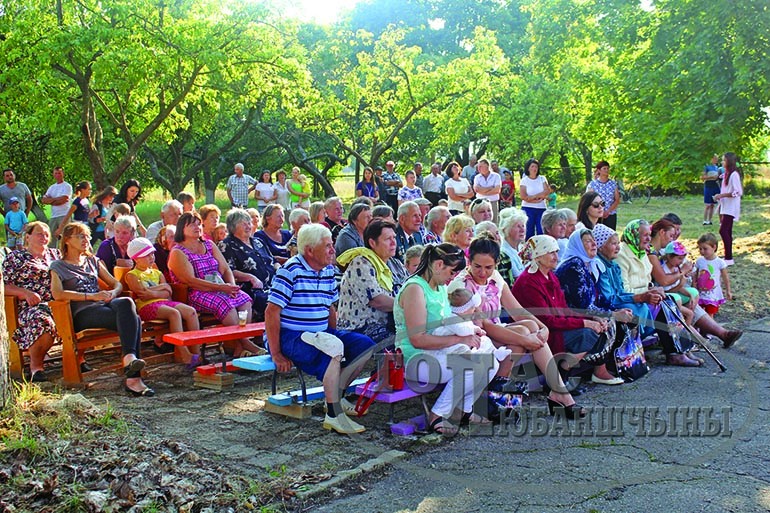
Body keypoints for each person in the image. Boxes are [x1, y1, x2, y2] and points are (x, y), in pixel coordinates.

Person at [456, 235, 586, 415]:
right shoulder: (463, 284)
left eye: (489, 267)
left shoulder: (495, 277)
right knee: (524, 334)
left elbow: (517, 310)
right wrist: (526, 339)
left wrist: (543, 328)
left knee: (531, 328)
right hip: (473, 337)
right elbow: (484, 325)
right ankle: (558, 393)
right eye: (477, 266)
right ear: (468, 261)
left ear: (496, 264)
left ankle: (555, 391)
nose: (483, 272)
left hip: (495, 331)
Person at [266, 224, 376, 434]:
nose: (333, 250)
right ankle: (334, 415)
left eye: (332, 245)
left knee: (365, 346)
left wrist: (333, 335)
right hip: (291, 335)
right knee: (332, 351)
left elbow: (330, 308)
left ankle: (336, 397)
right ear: (309, 251)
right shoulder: (291, 270)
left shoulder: (327, 270)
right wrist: (276, 352)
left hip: (319, 332)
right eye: (327, 246)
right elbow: (271, 312)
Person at [394, 243, 497, 435]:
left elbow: (449, 325)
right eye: (451, 272)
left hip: (438, 353)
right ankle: (437, 415)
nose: (452, 278)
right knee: (472, 366)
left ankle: (463, 411)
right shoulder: (415, 289)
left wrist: (469, 332)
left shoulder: (439, 287)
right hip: (417, 359)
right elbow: (418, 339)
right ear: (439, 264)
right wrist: (460, 340)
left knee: (491, 363)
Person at [50, 222, 153, 396]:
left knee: (127, 302)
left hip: (102, 305)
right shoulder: (58, 266)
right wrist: (91, 296)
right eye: (81, 236)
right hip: (82, 313)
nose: (86, 240)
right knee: (132, 319)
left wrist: (112, 293)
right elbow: (57, 294)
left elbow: (117, 284)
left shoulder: (92, 261)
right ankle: (133, 377)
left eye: (87, 236)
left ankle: (130, 361)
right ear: (67, 240)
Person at [615, 219, 742, 353]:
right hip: (644, 298)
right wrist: (681, 273)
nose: (648, 238)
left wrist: (656, 288)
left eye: (649, 234)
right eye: (671, 235)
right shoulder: (647, 253)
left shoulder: (647, 251)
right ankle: (694, 344)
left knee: (687, 300)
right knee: (673, 304)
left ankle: (719, 335)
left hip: (654, 294)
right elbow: (663, 281)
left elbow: (650, 281)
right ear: (662, 233)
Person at [512, 235, 615, 395]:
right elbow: (547, 321)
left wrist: (591, 318)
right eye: (550, 253)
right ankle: (559, 378)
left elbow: (564, 309)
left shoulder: (549, 275)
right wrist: (585, 323)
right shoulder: (529, 282)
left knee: (601, 329)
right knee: (587, 333)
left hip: (554, 326)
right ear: (538, 256)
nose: (556, 257)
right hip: (541, 331)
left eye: (556, 252)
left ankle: (563, 375)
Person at [168, 212, 260, 357]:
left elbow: (225, 269)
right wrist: (222, 288)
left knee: (244, 299)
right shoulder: (178, 252)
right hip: (197, 292)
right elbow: (190, 280)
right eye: (192, 224)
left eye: (199, 224)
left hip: (220, 287)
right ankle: (246, 343)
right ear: (182, 229)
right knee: (225, 304)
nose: (197, 227)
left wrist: (231, 286)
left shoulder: (209, 245)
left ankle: (238, 347)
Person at [555, 229, 632, 385]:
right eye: (588, 241)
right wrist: (612, 315)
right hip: (571, 316)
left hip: (581, 313)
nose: (594, 244)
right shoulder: (574, 266)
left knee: (621, 319)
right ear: (577, 244)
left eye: (594, 240)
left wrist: (614, 310)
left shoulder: (586, 264)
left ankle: (606, 369)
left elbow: (597, 297)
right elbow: (581, 304)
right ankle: (567, 374)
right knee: (607, 324)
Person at [125, 237, 201, 367]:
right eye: (146, 255)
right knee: (174, 313)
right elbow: (142, 295)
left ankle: (196, 352)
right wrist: (161, 288)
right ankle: (184, 354)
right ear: (136, 258)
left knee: (191, 312)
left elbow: (168, 292)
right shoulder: (132, 275)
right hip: (146, 307)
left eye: (152, 254)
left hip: (163, 302)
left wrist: (152, 291)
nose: (151, 257)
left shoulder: (157, 273)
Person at [2, 222, 62, 381]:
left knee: (80, 312)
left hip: (58, 302)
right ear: (27, 236)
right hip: (30, 307)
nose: (44, 237)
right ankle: (36, 367)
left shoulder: (56, 255)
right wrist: (24, 293)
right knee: (42, 321)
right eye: (39, 234)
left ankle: (78, 358)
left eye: (46, 234)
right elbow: (4, 285)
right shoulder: (16, 257)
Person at [593, 222, 659, 344]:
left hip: (616, 301)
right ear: (600, 246)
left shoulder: (612, 265)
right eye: (613, 244)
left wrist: (640, 297)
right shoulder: (599, 266)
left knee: (646, 305)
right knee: (633, 308)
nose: (618, 247)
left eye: (618, 243)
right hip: (604, 307)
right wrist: (638, 297)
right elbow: (608, 299)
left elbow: (621, 291)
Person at [337, 220, 403, 343]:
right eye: (388, 239)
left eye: (394, 237)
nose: (394, 242)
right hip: (359, 328)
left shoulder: (396, 264)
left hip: (390, 324)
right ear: (372, 243)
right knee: (403, 342)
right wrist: (410, 307)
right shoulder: (361, 262)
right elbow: (377, 301)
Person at [218, 209, 277, 322]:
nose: (248, 226)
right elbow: (229, 271)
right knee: (273, 302)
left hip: (273, 284)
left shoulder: (258, 241)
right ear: (233, 227)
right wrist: (251, 277)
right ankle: (268, 334)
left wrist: (280, 269)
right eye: (243, 224)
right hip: (251, 288)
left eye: (249, 223)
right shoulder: (226, 245)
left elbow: (273, 261)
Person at [714, 152, 742, 266]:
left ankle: (729, 257)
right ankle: (728, 256)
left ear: (729, 162)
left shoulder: (734, 174)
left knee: (723, 230)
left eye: (724, 160)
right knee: (727, 230)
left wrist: (722, 195)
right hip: (725, 206)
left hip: (731, 207)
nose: (722, 162)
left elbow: (737, 192)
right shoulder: (727, 174)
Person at [695, 232, 732, 316]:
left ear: (714, 247)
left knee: (710, 313)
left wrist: (728, 290)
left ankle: (709, 329)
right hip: (700, 293)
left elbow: (725, 277)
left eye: (705, 249)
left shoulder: (720, 262)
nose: (702, 251)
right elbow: (695, 275)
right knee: (699, 313)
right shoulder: (699, 261)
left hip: (713, 294)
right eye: (700, 249)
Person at [40, 166, 73, 247]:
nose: (58, 175)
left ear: (63, 174)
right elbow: (44, 200)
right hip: (54, 215)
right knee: (51, 237)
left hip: (64, 215)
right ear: (53, 175)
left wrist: (51, 200)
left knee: (65, 237)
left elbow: (64, 199)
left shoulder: (67, 186)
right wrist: (55, 200)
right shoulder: (52, 187)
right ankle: (52, 254)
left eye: (59, 173)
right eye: (56, 173)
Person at [519, 158, 549, 239]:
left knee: (541, 230)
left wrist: (532, 197)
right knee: (529, 231)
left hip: (541, 208)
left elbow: (546, 191)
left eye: (536, 167)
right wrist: (537, 197)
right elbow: (523, 196)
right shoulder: (524, 180)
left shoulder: (542, 178)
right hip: (528, 208)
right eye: (532, 166)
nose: (534, 169)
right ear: (528, 168)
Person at [497, 208, 528, 286]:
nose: (522, 230)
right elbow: (518, 279)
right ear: (506, 230)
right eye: (518, 226)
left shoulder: (522, 248)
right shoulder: (504, 252)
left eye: (523, 226)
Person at [587, 161, 620, 230]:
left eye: (608, 168)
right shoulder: (593, 184)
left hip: (610, 214)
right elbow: (588, 200)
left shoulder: (613, 184)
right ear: (599, 170)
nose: (607, 170)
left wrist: (608, 211)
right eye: (604, 168)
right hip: (596, 215)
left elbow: (617, 200)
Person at [473, 158, 502, 223]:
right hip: (480, 203)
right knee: (481, 222)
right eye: (478, 167)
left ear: (487, 166)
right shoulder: (477, 177)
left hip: (493, 202)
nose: (479, 168)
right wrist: (490, 188)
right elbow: (476, 189)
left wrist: (483, 191)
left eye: (481, 166)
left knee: (494, 221)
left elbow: (497, 190)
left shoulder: (496, 176)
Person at [701, 154, 720, 225]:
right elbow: (702, 177)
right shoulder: (706, 166)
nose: (716, 160)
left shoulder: (717, 167)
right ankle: (705, 220)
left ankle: (710, 220)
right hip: (708, 185)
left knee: (713, 204)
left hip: (715, 185)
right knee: (708, 204)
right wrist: (711, 177)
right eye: (715, 158)